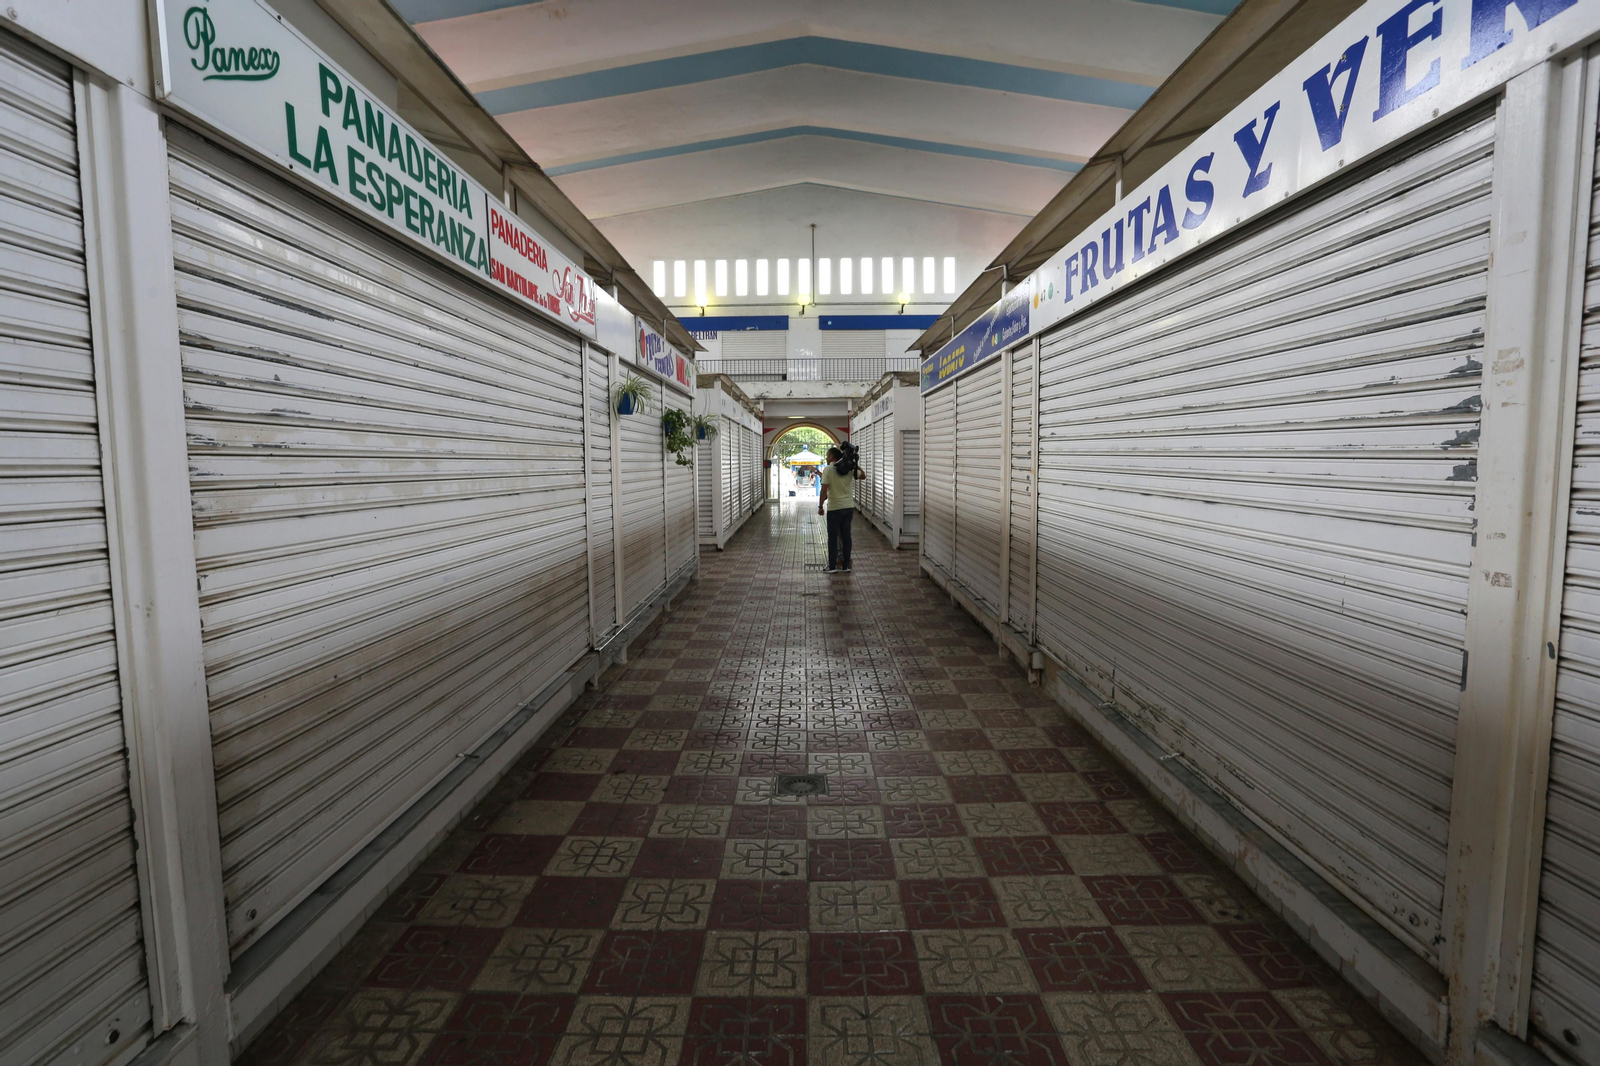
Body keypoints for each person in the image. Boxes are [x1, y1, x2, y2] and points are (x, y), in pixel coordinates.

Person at [817, 445, 864, 573]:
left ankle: (832, 566)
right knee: (846, 536)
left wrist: (820, 506)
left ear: (831, 456)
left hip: (834, 508)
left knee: (832, 537)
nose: (827, 457)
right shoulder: (848, 469)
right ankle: (846, 566)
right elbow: (863, 475)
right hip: (848, 507)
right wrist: (854, 464)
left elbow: (824, 490)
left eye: (827, 455)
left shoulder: (828, 469)